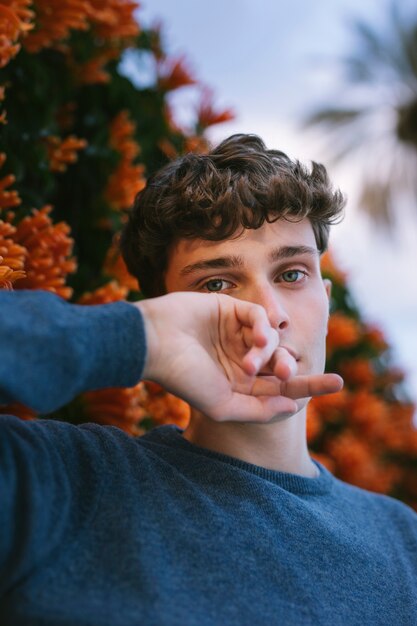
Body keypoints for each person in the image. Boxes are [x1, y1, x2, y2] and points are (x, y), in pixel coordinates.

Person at [0, 135, 415, 626]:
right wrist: (137, 336)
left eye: (291, 274)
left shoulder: (403, 541)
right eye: (216, 283)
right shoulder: (69, 483)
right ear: (167, 305)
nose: (269, 314)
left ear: (325, 299)